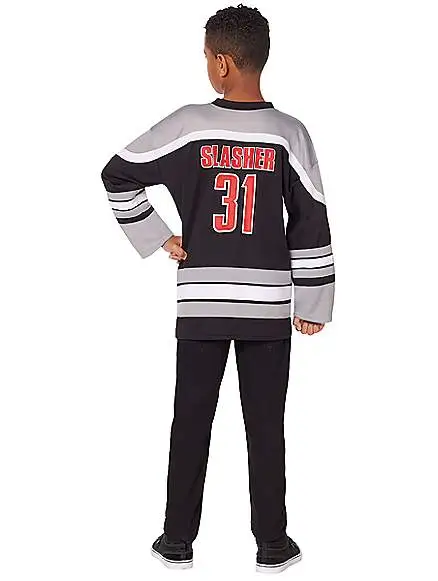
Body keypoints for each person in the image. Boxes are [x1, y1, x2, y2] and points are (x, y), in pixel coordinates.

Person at [101, 4, 334, 574]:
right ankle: (273, 544)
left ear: (223, 63)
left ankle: (176, 541)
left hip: (202, 301)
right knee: (266, 425)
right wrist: (313, 300)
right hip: (268, 305)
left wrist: (158, 236)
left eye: (206, 56)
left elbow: (117, 173)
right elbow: (311, 219)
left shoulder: (188, 125)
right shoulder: (289, 133)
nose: (207, 65)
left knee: (190, 420)